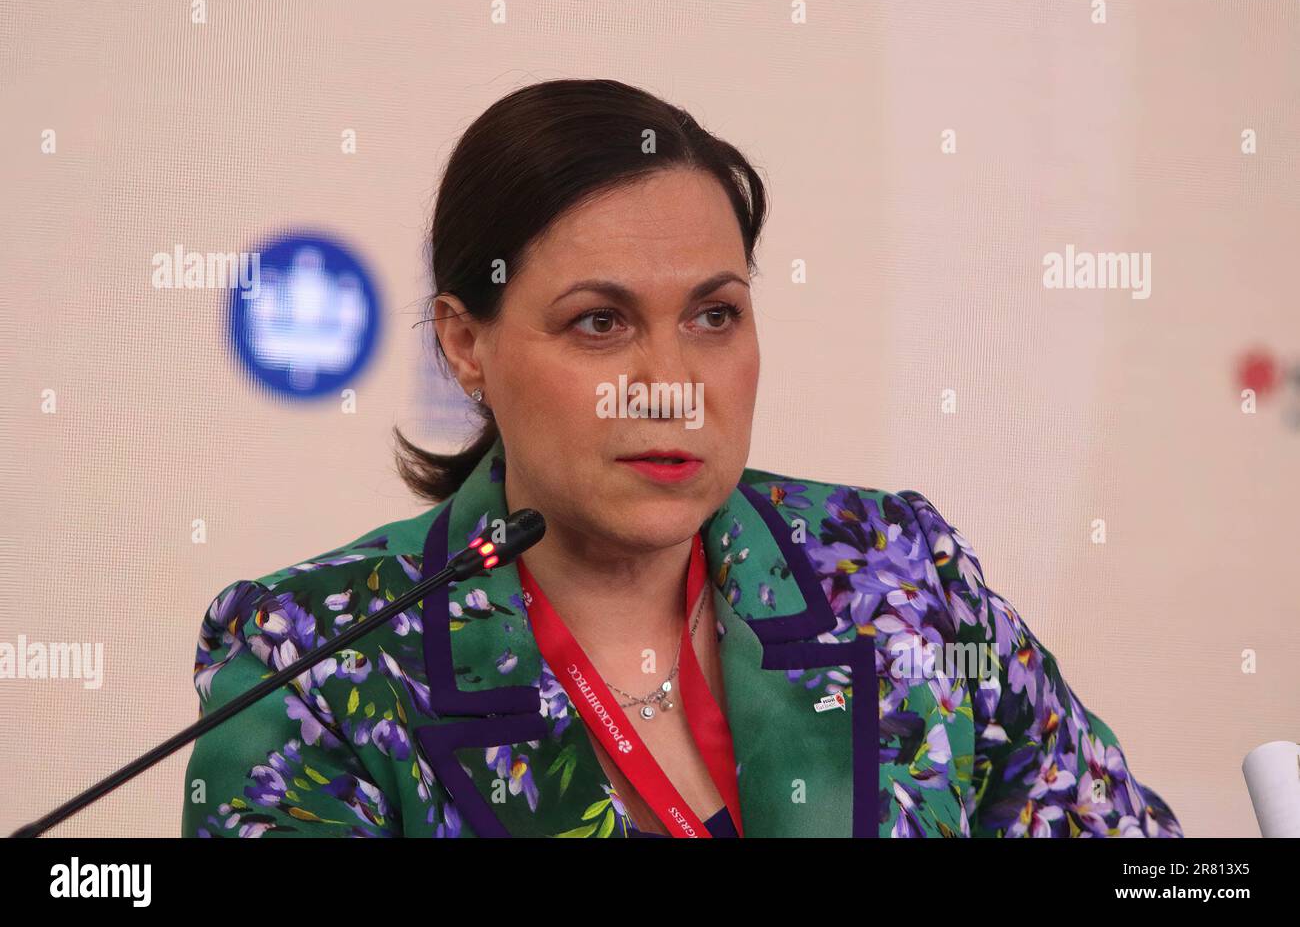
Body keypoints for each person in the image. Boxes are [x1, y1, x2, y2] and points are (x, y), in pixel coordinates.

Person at [181, 78, 1183, 838]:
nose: (671, 382)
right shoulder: (316, 657)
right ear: (463, 343)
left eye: (713, 314)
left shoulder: (898, 574)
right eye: (599, 322)